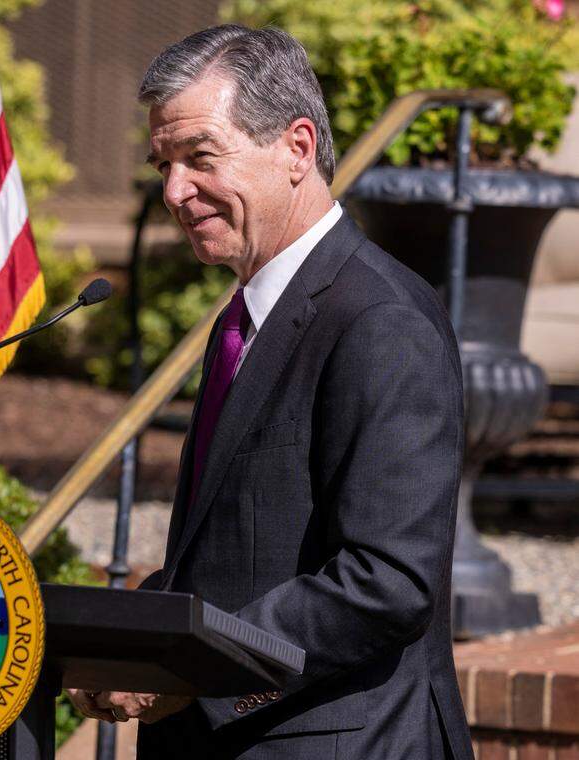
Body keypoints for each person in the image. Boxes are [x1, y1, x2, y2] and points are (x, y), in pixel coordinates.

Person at [67, 25, 473, 760]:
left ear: (297, 147)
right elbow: (237, 549)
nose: (174, 191)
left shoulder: (380, 319)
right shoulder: (249, 313)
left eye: (199, 158)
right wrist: (131, 645)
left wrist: (196, 668)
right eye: (164, 164)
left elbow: (386, 581)